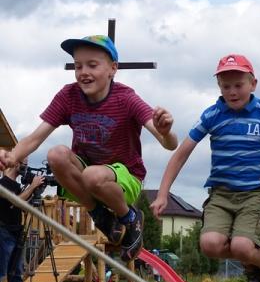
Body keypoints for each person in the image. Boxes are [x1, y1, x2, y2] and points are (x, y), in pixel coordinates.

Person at [0, 35, 178, 262]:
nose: (83, 72)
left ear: (113, 69)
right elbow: (35, 137)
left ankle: (129, 216)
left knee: (93, 175)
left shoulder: (126, 98)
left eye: (92, 65)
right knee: (56, 155)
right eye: (78, 66)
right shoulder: (68, 96)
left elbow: (169, 144)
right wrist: (11, 156)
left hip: (125, 177)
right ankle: (101, 215)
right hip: (85, 176)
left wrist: (166, 131)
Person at [151, 54, 260, 282]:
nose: (232, 92)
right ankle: (253, 263)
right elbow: (181, 154)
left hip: (254, 193)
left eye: (239, 85)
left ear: (253, 84)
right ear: (219, 87)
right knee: (210, 245)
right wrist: (162, 194)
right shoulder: (213, 115)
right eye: (226, 86)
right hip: (221, 194)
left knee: (242, 246)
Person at [0, 160, 45, 282]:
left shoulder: (17, 186)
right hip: (3, 231)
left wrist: (33, 194)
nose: (26, 166)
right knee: (2, 271)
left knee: (16, 272)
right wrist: (33, 186)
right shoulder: (3, 184)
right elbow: (16, 202)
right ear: (14, 163)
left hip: (16, 231)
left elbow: (20, 205)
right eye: (23, 162)